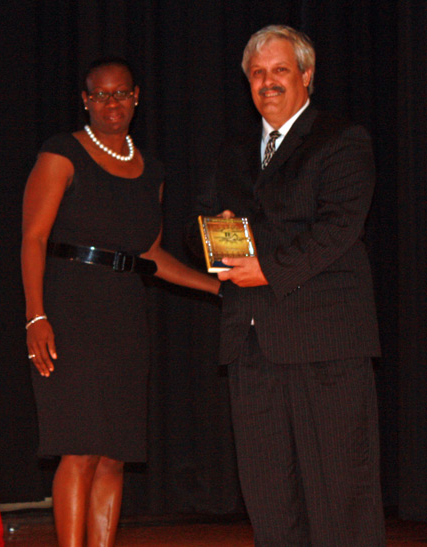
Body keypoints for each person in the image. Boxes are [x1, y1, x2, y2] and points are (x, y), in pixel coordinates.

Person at [186, 25, 385, 546]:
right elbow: (198, 227)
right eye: (257, 73)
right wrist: (214, 238)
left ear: (306, 76)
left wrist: (267, 269)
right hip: (250, 344)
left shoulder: (342, 139)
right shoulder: (232, 151)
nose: (267, 82)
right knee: (269, 498)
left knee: (340, 490)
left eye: (279, 71)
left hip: (325, 342)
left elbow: (340, 226)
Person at [21, 57, 219, 547]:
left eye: (121, 93)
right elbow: (33, 238)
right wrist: (35, 315)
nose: (112, 103)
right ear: (86, 101)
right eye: (100, 95)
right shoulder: (62, 153)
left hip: (124, 314)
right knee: (80, 449)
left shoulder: (152, 169)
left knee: (114, 453)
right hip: (69, 309)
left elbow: (150, 253)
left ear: (136, 98)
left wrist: (217, 287)